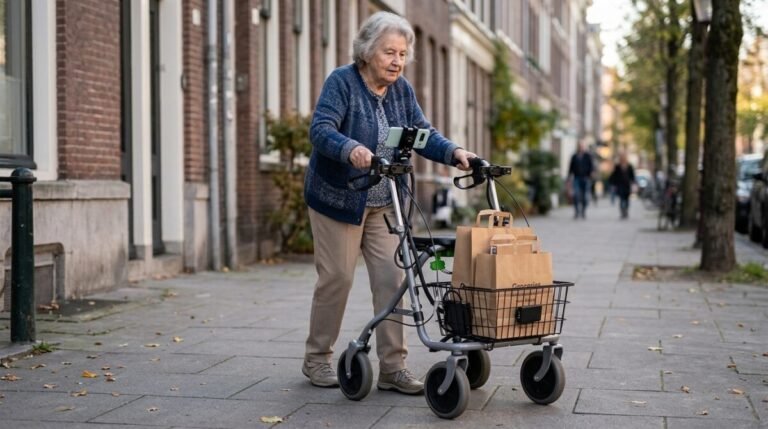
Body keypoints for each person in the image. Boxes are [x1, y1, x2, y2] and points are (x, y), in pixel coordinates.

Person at [302, 11, 476, 395]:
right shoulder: (342, 82)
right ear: (367, 52)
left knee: (393, 281)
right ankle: (317, 359)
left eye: (402, 53)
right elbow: (321, 129)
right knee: (338, 278)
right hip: (338, 200)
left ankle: (393, 368)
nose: (397, 61)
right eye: (389, 53)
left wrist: (455, 153)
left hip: (385, 203)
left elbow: (422, 135)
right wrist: (351, 149)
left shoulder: (401, 91)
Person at [568, 141, 594, 219]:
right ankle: (576, 211)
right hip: (576, 178)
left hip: (586, 178)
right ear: (578, 147)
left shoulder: (588, 156)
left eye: (582, 146)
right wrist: (569, 178)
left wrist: (590, 174)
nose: (581, 147)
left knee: (585, 197)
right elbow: (570, 168)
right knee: (576, 195)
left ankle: (583, 211)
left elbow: (591, 166)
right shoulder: (574, 156)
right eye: (580, 146)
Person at [609, 152, 636, 219]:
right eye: (622, 157)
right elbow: (614, 175)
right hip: (620, 184)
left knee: (627, 199)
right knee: (621, 199)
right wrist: (612, 183)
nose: (623, 158)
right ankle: (622, 212)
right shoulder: (617, 166)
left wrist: (633, 183)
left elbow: (632, 176)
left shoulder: (629, 166)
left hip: (627, 185)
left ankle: (626, 210)